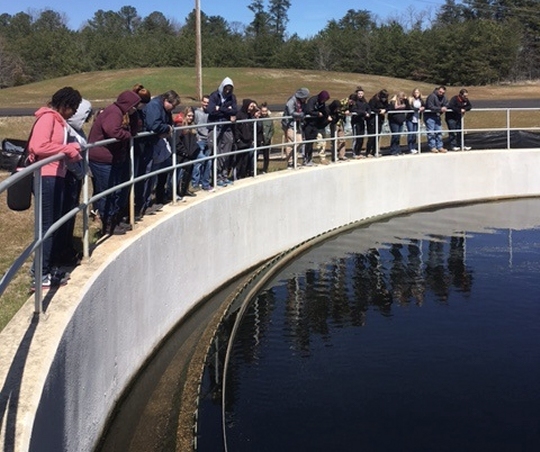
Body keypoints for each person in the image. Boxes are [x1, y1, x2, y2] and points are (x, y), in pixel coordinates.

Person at [27, 86, 83, 289]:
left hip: (56, 175)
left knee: (53, 225)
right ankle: (40, 276)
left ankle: (43, 269)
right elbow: (38, 146)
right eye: (74, 108)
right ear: (65, 105)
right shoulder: (48, 118)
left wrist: (69, 151)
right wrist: (67, 149)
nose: (75, 112)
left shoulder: (59, 121)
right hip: (46, 177)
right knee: (47, 227)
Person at [88, 90, 141, 235]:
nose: (135, 108)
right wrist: (128, 134)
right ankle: (107, 224)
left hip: (115, 158)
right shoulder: (114, 112)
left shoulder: (123, 113)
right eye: (134, 106)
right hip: (102, 159)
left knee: (117, 190)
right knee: (107, 192)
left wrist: (134, 117)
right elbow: (113, 131)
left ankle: (115, 219)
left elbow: (134, 130)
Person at [56, 98, 93, 266]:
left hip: (74, 177)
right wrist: (80, 173)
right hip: (68, 177)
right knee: (64, 214)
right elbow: (68, 156)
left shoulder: (76, 130)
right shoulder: (66, 130)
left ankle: (67, 247)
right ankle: (61, 251)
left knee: (71, 213)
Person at [142, 90, 181, 207]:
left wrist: (167, 128)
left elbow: (168, 123)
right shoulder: (154, 106)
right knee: (148, 175)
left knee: (164, 168)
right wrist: (167, 128)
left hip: (158, 144)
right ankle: (144, 203)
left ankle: (159, 196)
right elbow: (154, 125)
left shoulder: (164, 109)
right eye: (172, 105)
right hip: (148, 144)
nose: (172, 109)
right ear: (166, 100)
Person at [207, 77, 238, 186]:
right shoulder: (214, 96)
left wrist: (219, 108)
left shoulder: (232, 97)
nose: (228, 91)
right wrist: (227, 111)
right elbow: (210, 111)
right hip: (215, 127)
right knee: (216, 152)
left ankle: (224, 176)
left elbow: (235, 110)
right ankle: (216, 177)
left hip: (227, 128)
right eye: (226, 88)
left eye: (230, 88)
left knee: (226, 152)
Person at [281, 88, 309, 168]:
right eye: (305, 97)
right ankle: (290, 162)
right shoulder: (291, 101)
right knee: (291, 143)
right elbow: (291, 112)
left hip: (297, 125)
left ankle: (295, 160)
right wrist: (301, 115)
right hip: (289, 125)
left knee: (299, 142)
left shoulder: (301, 103)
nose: (305, 99)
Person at [175, 106, 199, 199]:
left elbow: (194, 142)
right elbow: (177, 143)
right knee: (179, 174)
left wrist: (192, 151)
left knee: (189, 171)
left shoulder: (192, 127)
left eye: (192, 116)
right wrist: (185, 152)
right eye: (189, 116)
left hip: (190, 154)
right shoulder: (180, 127)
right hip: (181, 155)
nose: (191, 118)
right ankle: (176, 191)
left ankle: (185, 190)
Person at [303, 90, 331, 166]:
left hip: (315, 124)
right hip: (308, 124)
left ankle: (310, 159)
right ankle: (305, 159)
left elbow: (324, 110)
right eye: (324, 99)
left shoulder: (321, 103)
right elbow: (309, 110)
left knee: (311, 142)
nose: (324, 101)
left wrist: (327, 115)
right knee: (307, 142)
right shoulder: (312, 100)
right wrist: (317, 113)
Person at [191, 95, 213, 191]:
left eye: (208, 103)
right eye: (205, 102)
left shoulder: (210, 113)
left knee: (207, 162)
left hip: (208, 139)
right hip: (200, 139)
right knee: (199, 163)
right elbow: (193, 125)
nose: (206, 104)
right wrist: (197, 137)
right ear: (201, 102)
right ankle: (195, 183)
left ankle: (204, 182)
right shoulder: (196, 113)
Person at [234, 98, 260, 179]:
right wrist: (238, 139)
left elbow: (254, 128)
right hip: (241, 141)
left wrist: (256, 109)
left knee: (247, 160)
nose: (251, 108)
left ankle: (244, 174)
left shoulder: (250, 116)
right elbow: (236, 128)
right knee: (240, 160)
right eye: (251, 106)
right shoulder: (239, 115)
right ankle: (237, 176)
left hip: (248, 141)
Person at [424, 85, 449, 153]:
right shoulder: (431, 96)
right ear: (438, 90)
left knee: (439, 132)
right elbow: (430, 106)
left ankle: (440, 146)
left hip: (437, 116)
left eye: (443, 93)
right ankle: (432, 147)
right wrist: (440, 109)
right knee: (431, 132)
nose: (441, 93)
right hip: (429, 116)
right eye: (440, 92)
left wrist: (445, 107)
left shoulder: (443, 97)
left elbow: (447, 103)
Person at [366, 89, 389, 157]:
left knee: (377, 136)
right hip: (372, 120)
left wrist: (385, 110)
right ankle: (368, 152)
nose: (384, 99)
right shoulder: (373, 100)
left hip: (380, 120)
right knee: (371, 137)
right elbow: (371, 108)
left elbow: (388, 107)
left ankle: (374, 151)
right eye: (384, 98)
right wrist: (379, 111)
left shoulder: (385, 101)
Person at [350, 87, 371, 158]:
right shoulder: (354, 101)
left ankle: (358, 152)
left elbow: (368, 108)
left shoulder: (364, 101)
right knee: (356, 137)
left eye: (361, 93)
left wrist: (368, 113)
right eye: (359, 93)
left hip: (362, 121)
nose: (360, 95)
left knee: (361, 138)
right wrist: (364, 113)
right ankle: (354, 153)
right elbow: (354, 109)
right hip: (356, 121)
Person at [387, 91, 409, 156]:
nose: (401, 99)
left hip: (401, 121)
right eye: (400, 98)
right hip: (393, 121)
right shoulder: (393, 102)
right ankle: (393, 150)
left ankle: (398, 150)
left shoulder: (404, 102)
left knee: (398, 136)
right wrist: (394, 100)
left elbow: (408, 107)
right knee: (395, 136)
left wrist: (406, 100)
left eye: (402, 98)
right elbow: (392, 108)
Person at [405, 88, 425, 154]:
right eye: (415, 92)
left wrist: (423, 108)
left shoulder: (421, 100)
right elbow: (410, 107)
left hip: (417, 118)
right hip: (410, 118)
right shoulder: (410, 99)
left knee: (415, 134)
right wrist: (417, 109)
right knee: (411, 133)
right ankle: (410, 148)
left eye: (418, 92)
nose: (416, 94)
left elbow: (424, 105)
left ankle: (414, 147)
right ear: (413, 93)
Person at [259, 102, 274, 173]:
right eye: (263, 111)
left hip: (266, 140)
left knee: (266, 155)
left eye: (265, 111)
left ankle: (265, 169)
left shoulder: (269, 120)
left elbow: (272, 130)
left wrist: (268, 138)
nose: (264, 113)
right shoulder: (258, 119)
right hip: (259, 140)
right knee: (256, 154)